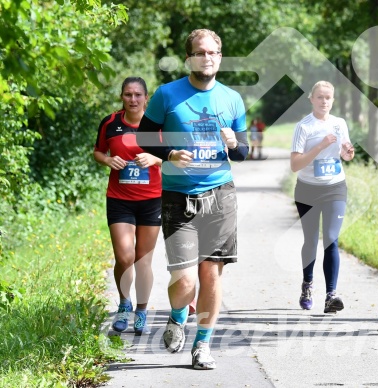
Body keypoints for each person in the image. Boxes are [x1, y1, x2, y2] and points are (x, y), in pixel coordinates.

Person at [136, 28, 248, 370]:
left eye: (213, 52)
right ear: (189, 58)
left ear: (220, 57)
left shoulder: (232, 99)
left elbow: (243, 152)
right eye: (200, 52)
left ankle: (202, 345)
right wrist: (168, 153)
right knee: (184, 280)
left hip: (220, 194)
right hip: (178, 196)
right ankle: (176, 314)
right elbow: (143, 136)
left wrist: (233, 144)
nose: (207, 57)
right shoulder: (167, 95)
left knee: (212, 274)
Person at [93, 77, 162, 336]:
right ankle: (124, 304)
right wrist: (108, 161)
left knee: (143, 260)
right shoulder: (110, 123)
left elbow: (175, 159)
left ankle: (141, 310)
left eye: (137, 95)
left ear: (147, 98)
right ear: (122, 96)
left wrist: (154, 158)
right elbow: (98, 151)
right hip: (120, 199)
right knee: (125, 257)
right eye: (128, 94)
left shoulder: (158, 125)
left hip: (151, 199)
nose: (133, 99)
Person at [290, 81, 355, 314]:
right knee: (310, 240)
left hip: (335, 187)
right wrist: (319, 146)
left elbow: (345, 153)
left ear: (333, 100)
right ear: (311, 99)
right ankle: (307, 284)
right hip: (307, 189)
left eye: (328, 97)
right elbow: (295, 164)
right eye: (320, 97)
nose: (324, 101)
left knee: (330, 238)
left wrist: (348, 152)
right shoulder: (303, 127)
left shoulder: (339, 124)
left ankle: (331, 295)